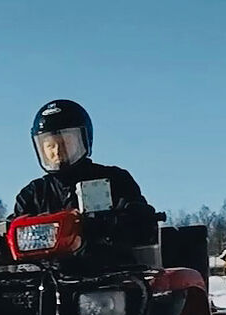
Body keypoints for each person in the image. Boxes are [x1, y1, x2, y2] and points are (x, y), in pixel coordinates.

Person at [13, 99, 159, 252]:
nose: (57, 151)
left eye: (65, 142)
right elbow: (12, 231)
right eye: (50, 145)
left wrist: (102, 225)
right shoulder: (33, 194)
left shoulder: (114, 180)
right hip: (48, 271)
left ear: (83, 139)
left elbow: (144, 225)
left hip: (111, 269)